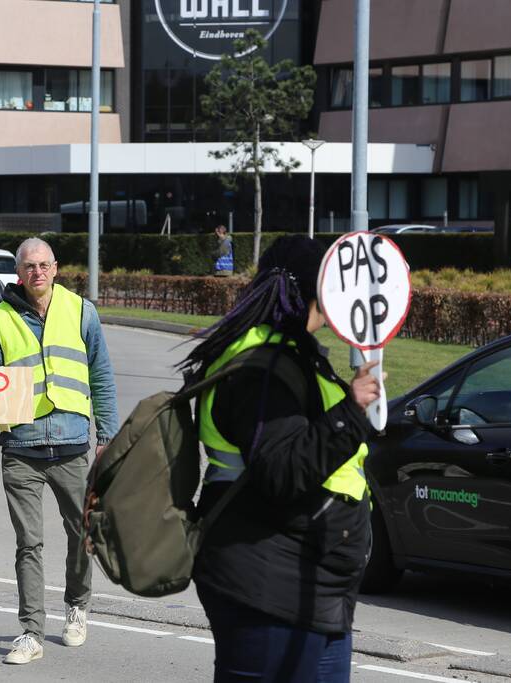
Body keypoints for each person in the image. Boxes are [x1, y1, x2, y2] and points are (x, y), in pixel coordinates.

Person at [180, 235, 381, 682]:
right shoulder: (262, 364)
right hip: (268, 584)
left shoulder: (288, 355)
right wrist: (351, 413)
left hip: (312, 584)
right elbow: (281, 470)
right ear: (315, 289)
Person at [0, 237, 119, 665]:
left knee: (81, 535)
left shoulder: (81, 311)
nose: (36, 272)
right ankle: (31, 632)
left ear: (56, 268)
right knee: (29, 543)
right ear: (18, 273)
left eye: (43, 265)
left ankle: (76, 606)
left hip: (73, 444)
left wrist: (108, 436)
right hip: (21, 447)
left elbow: (101, 375)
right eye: (28, 266)